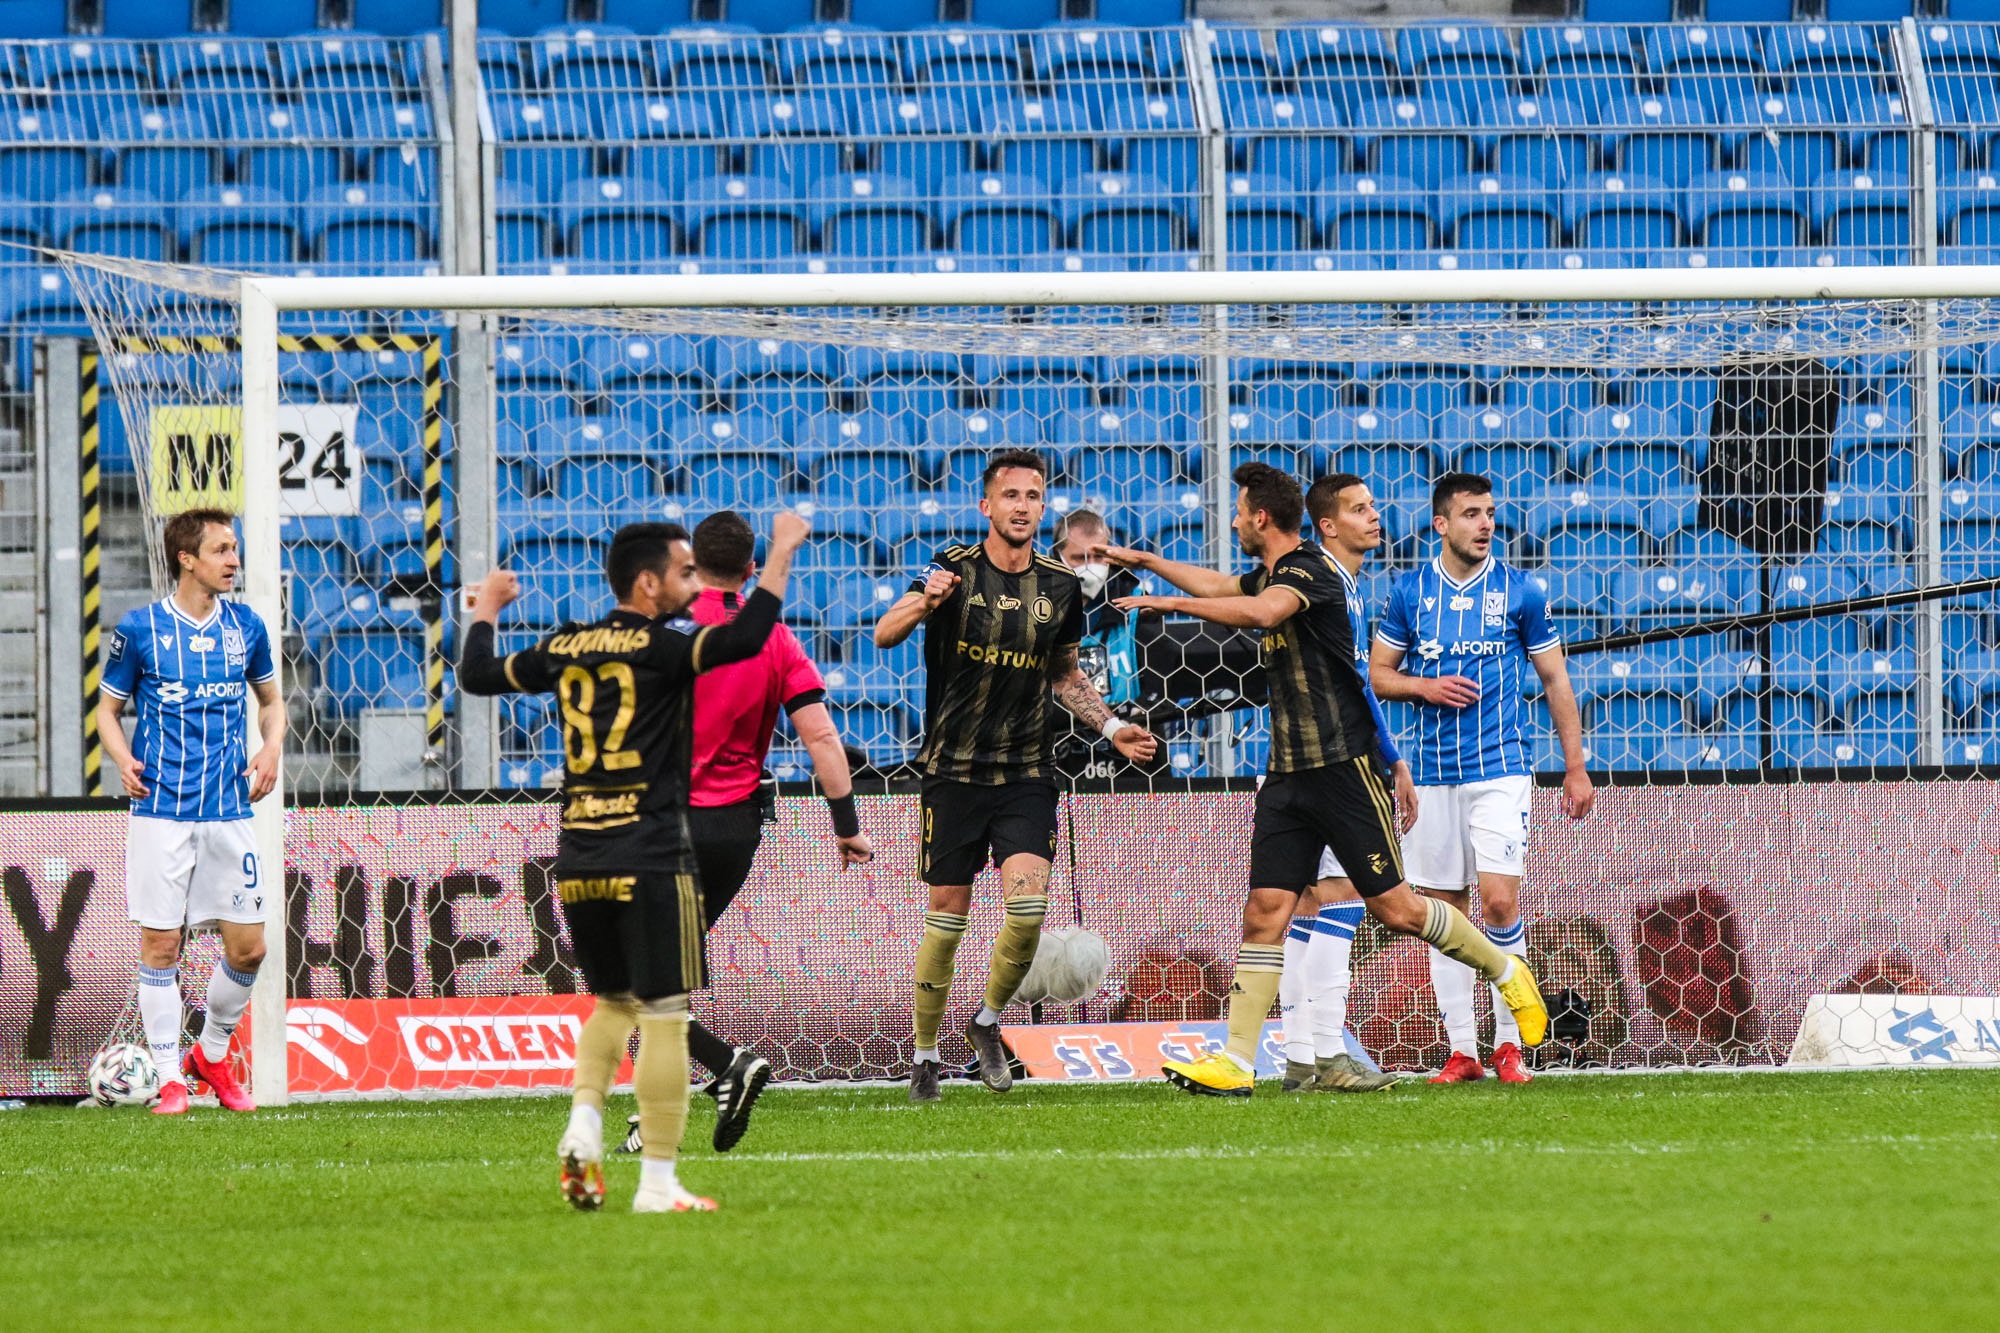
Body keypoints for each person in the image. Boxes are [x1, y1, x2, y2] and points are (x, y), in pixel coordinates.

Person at [1104, 462, 1548, 1097]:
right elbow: (1229, 584)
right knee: (1265, 913)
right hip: (1288, 773)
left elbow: (1261, 612)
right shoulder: (1284, 570)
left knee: (1396, 910)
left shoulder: (1308, 571)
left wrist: (1170, 604)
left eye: (1237, 511)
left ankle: (1504, 968)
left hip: (1342, 768)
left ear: (1260, 518)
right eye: (1362, 507)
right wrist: (1148, 559)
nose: (1232, 520)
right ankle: (1236, 1059)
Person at [458, 513, 809, 1214]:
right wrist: (779, 555)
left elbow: (476, 674)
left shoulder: (567, 643)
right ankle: (657, 1182)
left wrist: (488, 612)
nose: (690, 581)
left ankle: (584, 1123)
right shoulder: (664, 646)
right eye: (682, 571)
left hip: (581, 852)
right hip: (653, 853)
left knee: (614, 1002)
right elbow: (745, 636)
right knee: (667, 1013)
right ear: (647, 584)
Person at [873, 449, 1158, 1103]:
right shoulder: (952, 568)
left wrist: (1112, 727)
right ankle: (923, 1055)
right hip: (953, 770)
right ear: (987, 507)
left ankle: (986, 1020)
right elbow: (885, 632)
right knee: (946, 919)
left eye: (1034, 495)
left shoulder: (1059, 586)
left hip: (1027, 768)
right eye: (1011, 495)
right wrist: (924, 601)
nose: (1023, 505)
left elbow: (1064, 674)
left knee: (1027, 911)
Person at [617, 509, 874, 1158]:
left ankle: (727, 1066)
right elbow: (820, 736)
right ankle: (655, 1116)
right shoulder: (776, 639)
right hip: (736, 828)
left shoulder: (663, 630)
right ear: (752, 567)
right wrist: (847, 826)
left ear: (689, 566)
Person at [1370, 472, 1596, 1085]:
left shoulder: (1521, 592)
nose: (1486, 524)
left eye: (1490, 513)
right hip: (1433, 772)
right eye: (1471, 514)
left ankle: (1507, 1046)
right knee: (1444, 912)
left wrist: (1575, 768)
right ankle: (1461, 1050)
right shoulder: (1408, 593)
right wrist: (1424, 685)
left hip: (1502, 767)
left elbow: (1555, 681)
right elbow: (1378, 676)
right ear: (1441, 524)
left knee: (1499, 902)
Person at [98, 508, 282, 1117]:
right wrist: (123, 758)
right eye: (222, 550)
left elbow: (271, 702)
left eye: (235, 549)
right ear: (187, 558)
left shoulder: (246, 627)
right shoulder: (141, 628)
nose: (234, 560)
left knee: (249, 948)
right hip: (161, 812)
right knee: (161, 943)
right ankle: (169, 1077)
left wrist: (273, 746)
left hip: (230, 808)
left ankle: (211, 1053)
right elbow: (107, 711)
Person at [1278, 474, 1416, 1094]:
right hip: (1330, 764)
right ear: (1328, 524)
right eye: (1361, 509)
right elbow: (1355, 686)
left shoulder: (1347, 584)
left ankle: (1302, 1058)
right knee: (1342, 898)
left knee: (1306, 906)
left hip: (1310, 760)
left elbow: (1356, 681)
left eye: (1374, 505)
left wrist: (1392, 756)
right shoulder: (1318, 575)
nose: (1376, 515)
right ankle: (1328, 1053)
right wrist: (1388, 757)